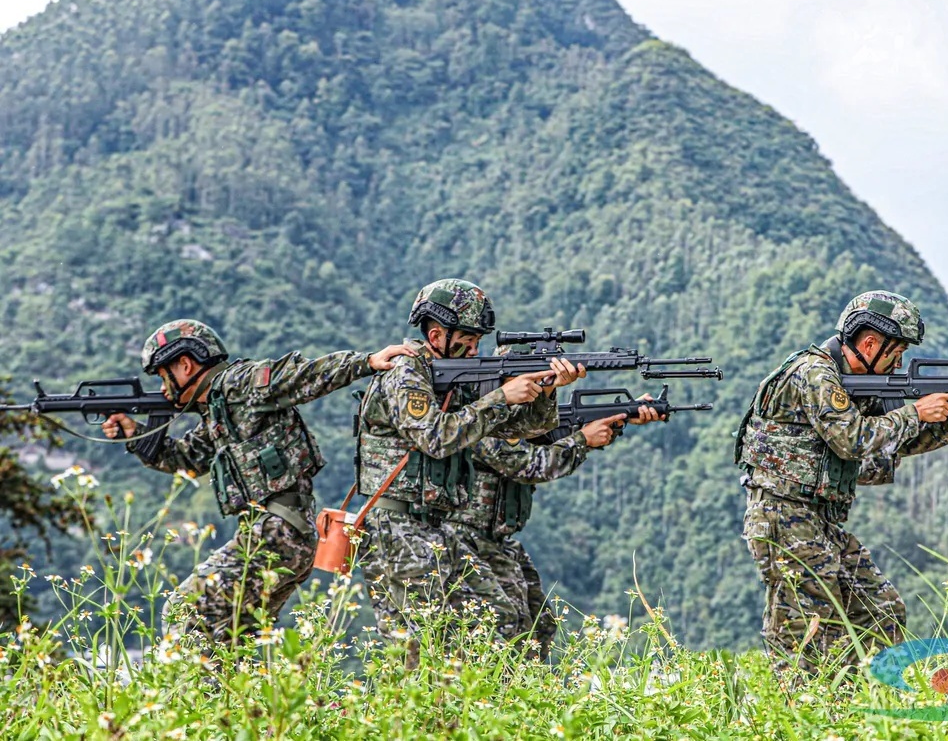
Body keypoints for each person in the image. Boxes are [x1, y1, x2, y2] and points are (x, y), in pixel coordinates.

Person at [735, 290, 948, 675]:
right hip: (784, 516)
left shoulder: (851, 382)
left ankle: (859, 704)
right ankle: (803, 714)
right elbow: (854, 440)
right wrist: (915, 412)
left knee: (881, 610)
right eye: (896, 352)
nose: (899, 363)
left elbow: (894, 443)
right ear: (869, 342)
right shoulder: (815, 374)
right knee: (806, 633)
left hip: (819, 520)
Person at [102, 318, 412, 643]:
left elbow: (302, 375)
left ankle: (196, 691)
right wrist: (136, 436)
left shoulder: (242, 383)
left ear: (185, 364)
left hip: (278, 532)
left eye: (165, 376)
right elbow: (187, 459)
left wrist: (365, 362)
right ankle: (229, 693)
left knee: (184, 609)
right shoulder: (218, 410)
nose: (164, 389)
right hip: (276, 534)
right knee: (231, 636)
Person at [352, 279, 583, 663]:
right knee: (419, 649)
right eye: (468, 339)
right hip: (399, 525)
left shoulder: (448, 374)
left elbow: (517, 430)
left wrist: (545, 390)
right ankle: (406, 722)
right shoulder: (406, 371)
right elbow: (434, 437)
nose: (475, 349)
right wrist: (501, 396)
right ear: (437, 333)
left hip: (438, 527)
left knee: (495, 627)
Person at [445, 384, 661, 660]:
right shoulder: (478, 419)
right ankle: (486, 693)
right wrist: (583, 440)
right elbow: (530, 464)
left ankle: (521, 693)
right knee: (502, 628)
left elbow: (550, 436)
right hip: (464, 538)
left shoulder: (515, 418)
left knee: (539, 624)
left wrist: (620, 418)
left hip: (495, 539)